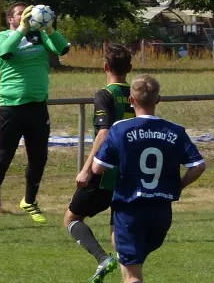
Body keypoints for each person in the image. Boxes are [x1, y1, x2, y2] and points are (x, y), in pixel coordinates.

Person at [92, 75, 206, 283]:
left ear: (131, 101)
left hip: (131, 211)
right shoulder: (175, 131)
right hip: (161, 213)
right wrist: (178, 185)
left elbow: (98, 167)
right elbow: (198, 166)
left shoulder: (120, 129)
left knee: (132, 276)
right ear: (158, 100)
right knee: (130, 268)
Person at [0, 2, 69, 230]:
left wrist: (48, 29)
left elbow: (62, 49)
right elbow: (4, 52)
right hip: (11, 108)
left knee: (38, 158)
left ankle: (29, 201)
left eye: (28, 14)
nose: (26, 18)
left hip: (37, 107)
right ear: (10, 19)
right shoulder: (2, 37)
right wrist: (21, 29)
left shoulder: (39, 37)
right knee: (2, 159)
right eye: (21, 14)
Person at [64, 44, 134, 283]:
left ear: (105, 66)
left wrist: (85, 169)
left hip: (105, 170)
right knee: (117, 227)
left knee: (71, 218)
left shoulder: (105, 94)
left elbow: (103, 134)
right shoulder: (136, 93)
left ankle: (103, 259)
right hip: (129, 170)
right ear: (130, 68)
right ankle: (131, 276)